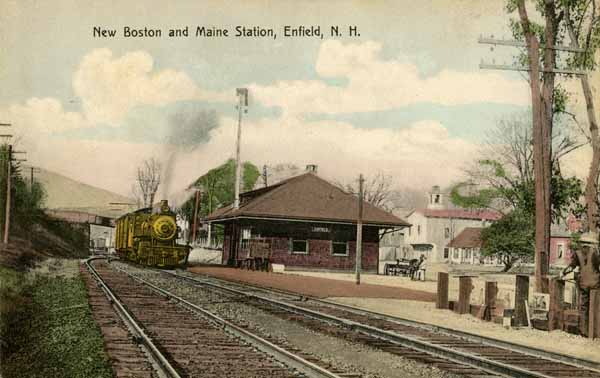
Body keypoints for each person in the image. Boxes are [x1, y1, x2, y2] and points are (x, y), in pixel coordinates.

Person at [562, 232, 600, 336]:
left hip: (583, 284)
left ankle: (584, 331)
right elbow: (597, 267)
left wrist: (563, 272)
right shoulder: (595, 252)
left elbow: (571, 267)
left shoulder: (577, 253)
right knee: (596, 307)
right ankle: (595, 331)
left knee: (583, 307)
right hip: (595, 284)